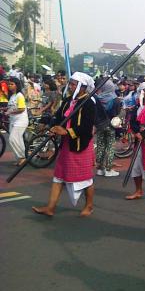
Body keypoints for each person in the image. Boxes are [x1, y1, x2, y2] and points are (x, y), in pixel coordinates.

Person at [32, 72, 97, 217]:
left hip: (81, 144)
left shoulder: (89, 103)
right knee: (58, 176)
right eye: (71, 83)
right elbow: (59, 117)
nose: (70, 86)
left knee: (85, 178)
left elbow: (86, 128)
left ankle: (89, 205)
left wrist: (66, 131)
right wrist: (52, 127)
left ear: (82, 87)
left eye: (74, 84)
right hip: (67, 144)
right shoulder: (68, 100)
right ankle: (50, 207)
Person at [95, 79, 122, 177]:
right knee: (110, 146)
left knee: (101, 145)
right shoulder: (115, 99)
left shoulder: (97, 98)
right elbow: (117, 112)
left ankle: (100, 168)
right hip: (110, 125)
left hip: (99, 125)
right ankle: (108, 169)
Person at [6, 77, 29, 166]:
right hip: (13, 121)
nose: (9, 86)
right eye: (9, 84)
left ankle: (22, 157)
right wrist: (5, 109)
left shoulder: (19, 95)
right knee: (18, 140)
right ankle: (21, 158)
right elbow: (11, 107)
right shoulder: (12, 96)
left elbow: (22, 109)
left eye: (12, 84)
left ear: (17, 85)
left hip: (21, 121)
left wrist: (10, 112)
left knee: (12, 139)